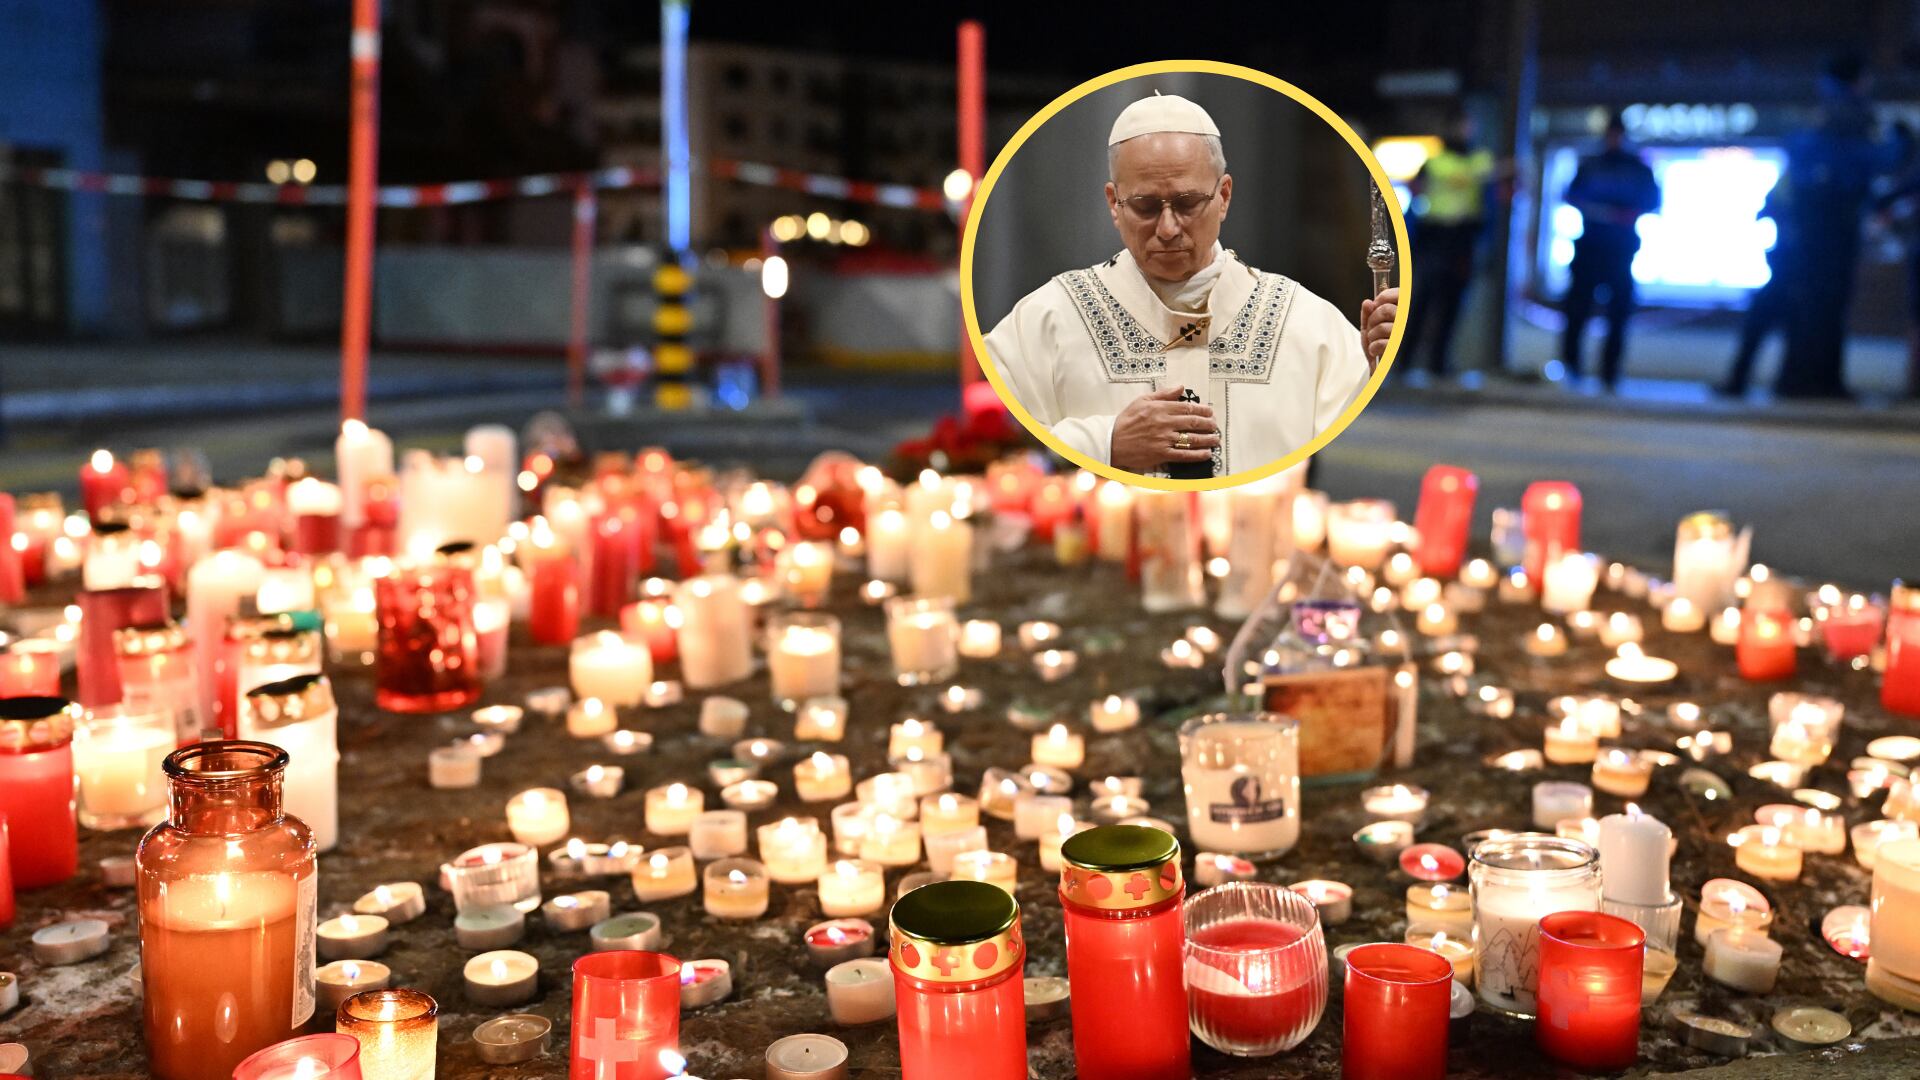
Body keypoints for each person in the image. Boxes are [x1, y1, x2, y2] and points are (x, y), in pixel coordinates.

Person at [985, 93, 1393, 478]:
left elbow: (1354, 454)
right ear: (1114, 203)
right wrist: (1104, 444)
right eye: (1145, 207)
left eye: (1187, 203)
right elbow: (997, 455)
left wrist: (1376, 365)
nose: (1167, 228)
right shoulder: (1047, 320)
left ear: (1224, 196)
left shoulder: (1306, 322)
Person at [1773, 53, 1906, 398]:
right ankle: (1822, 382)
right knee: (1829, 305)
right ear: (1859, 79)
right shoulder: (1852, 114)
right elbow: (1875, 161)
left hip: (1808, 225)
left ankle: (1796, 380)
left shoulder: (1818, 114)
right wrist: (1901, 141)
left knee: (1806, 304)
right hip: (1836, 223)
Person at [1558, 113, 1661, 392]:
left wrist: (1624, 211)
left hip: (1621, 249)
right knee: (1577, 310)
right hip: (1590, 245)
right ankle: (1571, 368)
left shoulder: (1637, 168)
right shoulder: (1592, 164)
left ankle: (1609, 374)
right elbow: (1571, 195)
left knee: (1618, 314)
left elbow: (1653, 200)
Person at [1399, 112, 1496, 380]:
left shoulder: (1479, 159)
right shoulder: (1438, 161)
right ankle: (1405, 362)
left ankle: (1437, 363)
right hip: (1435, 235)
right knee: (1422, 301)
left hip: (1463, 239)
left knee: (1451, 303)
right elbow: (1416, 188)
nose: (1465, 130)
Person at [1715, 177, 1795, 397]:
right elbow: (1765, 211)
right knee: (1756, 328)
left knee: (1790, 334)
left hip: (1797, 277)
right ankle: (1738, 383)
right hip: (1784, 273)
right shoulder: (1789, 182)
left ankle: (1783, 384)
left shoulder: (1800, 183)